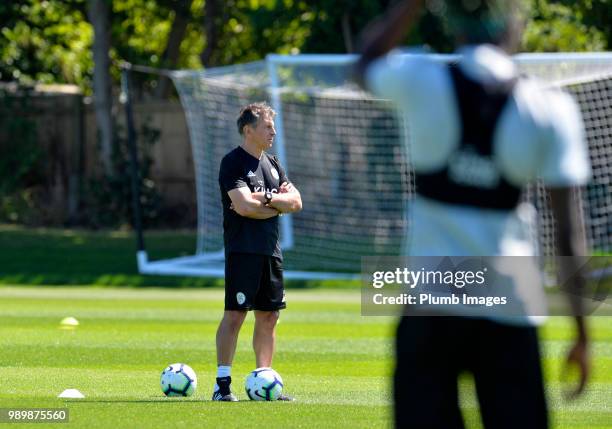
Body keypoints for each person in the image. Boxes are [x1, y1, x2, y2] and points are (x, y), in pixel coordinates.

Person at [355, 1, 591, 427]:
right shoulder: (550, 107)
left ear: (452, 24)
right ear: (515, 23)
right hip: (509, 308)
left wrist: (409, 7)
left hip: (430, 312)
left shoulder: (420, 80)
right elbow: (569, 235)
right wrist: (582, 333)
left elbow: (364, 65)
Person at [213, 102, 302, 401]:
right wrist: (275, 205)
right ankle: (222, 386)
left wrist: (263, 201)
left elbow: (296, 202)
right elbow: (242, 206)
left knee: (269, 317)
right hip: (243, 250)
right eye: (267, 126)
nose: (273, 131)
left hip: (270, 251)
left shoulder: (274, 164)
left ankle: (264, 382)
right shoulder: (233, 163)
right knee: (236, 315)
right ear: (249, 129)